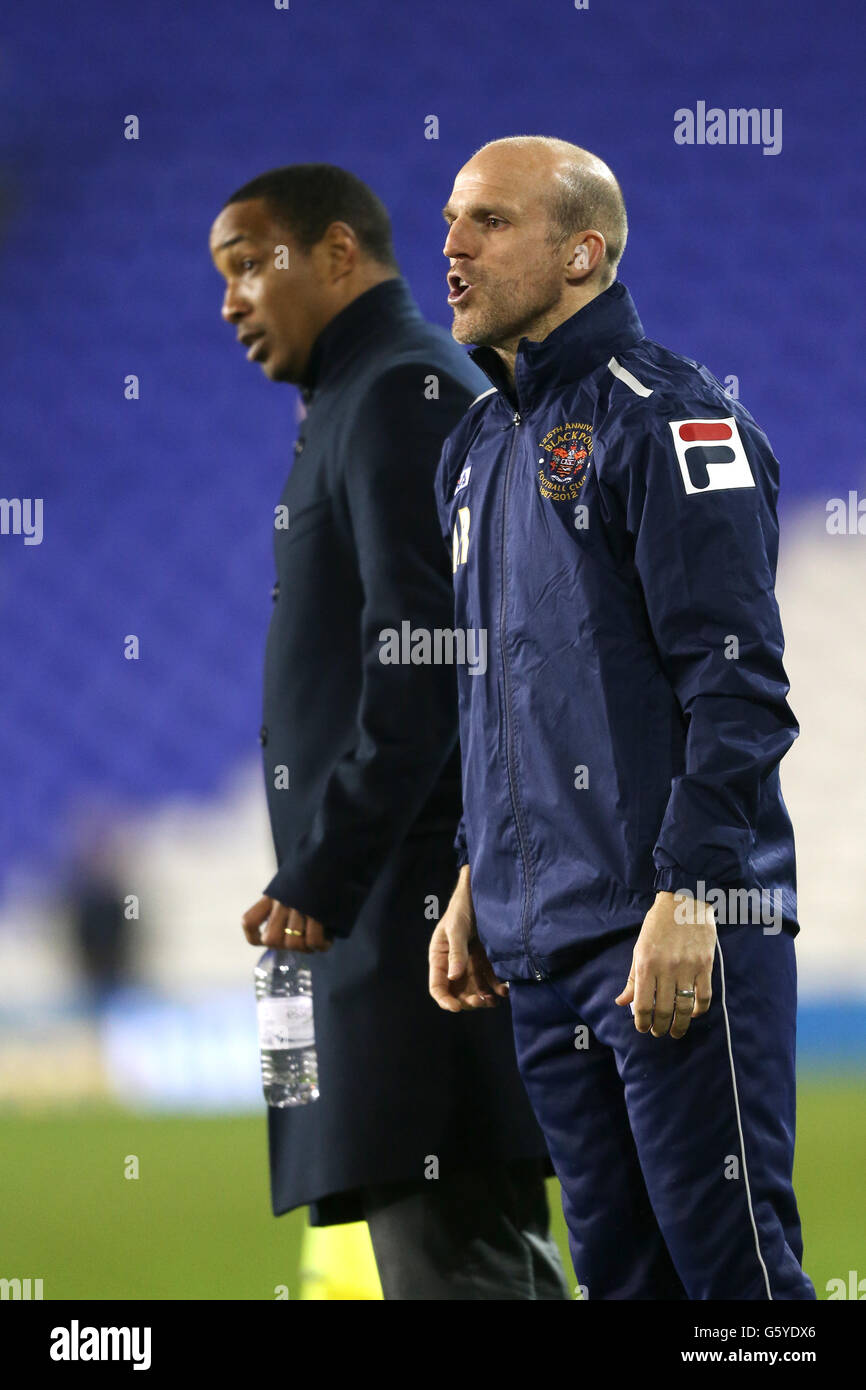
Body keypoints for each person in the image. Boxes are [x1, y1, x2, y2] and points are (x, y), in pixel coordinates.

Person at [428, 136, 815, 1301]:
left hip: (669, 931)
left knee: (733, 1283)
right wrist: (472, 875)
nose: (448, 248)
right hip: (542, 952)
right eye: (449, 220)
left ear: (580, 252)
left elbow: (738, 688)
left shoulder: (671, 425)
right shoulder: (473, 449)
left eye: (488, 222)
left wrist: (692, 891)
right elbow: (501, 691)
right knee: (622, 1284)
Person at [208, 163, 569, 1301]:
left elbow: (427, 658)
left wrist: (325, 867)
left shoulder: (402, 390)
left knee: (454, 1260)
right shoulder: (365, 396)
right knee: (461, 1254)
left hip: (414, 922)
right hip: (382, 923)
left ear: (334, 254)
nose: (229, 301)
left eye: (244, 264)